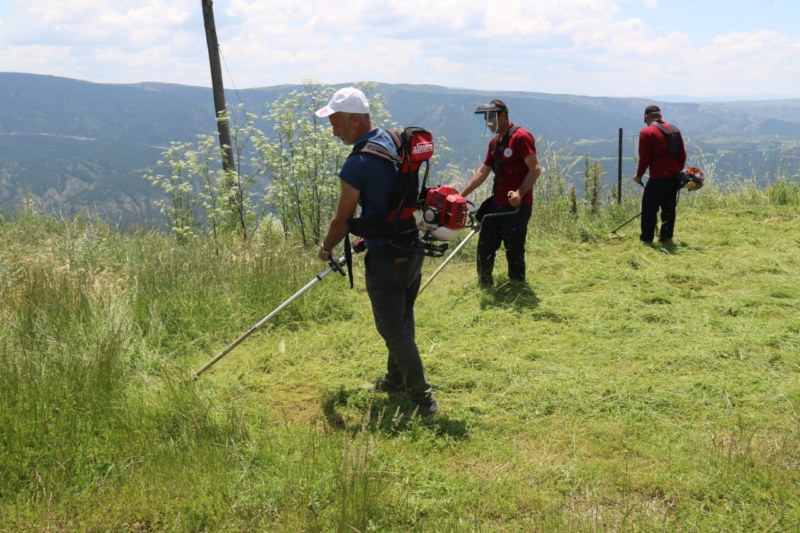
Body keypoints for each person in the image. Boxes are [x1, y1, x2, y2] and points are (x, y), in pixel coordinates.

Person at [315, 87, 438, 417]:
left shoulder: (358, 163)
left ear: (355, 120)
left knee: (392, 328)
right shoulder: (393, 139)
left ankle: (423, 400)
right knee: (402, 318)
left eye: (337, 123)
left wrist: (326, 248)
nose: (334, 130)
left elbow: (341, 220)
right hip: (411, 245)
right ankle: (395, 380)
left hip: (387, 256)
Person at [459, 99, 541, 286]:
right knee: (485, 245)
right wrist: (460, 195)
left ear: (503, 116)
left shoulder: (521, 137)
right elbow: (482, 172)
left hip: (517, 208)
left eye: (491, 119)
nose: (488, 124)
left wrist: (519, 194)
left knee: (514, 249)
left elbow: (535, 169)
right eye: (486, 120)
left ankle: (517, 285)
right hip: (496, 204)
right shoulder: (495, 143)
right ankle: (485, 283)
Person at [633, 104, 687, 244]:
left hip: (657, 178)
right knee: (669, 208)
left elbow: (644, 158)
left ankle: (647, 238)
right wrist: (676, 170)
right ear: (660, 116)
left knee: (649, 209)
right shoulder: (675, 130)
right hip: (673, 177)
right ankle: (666, 237)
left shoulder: (647, 132)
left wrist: (639, 175)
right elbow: (682, 154)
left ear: (646, 117)